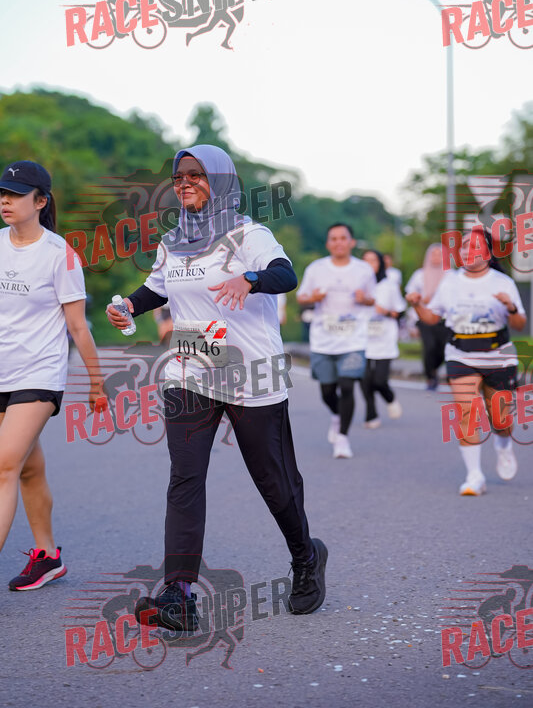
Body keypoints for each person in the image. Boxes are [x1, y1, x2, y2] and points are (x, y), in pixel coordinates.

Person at [106, 144, 327, 629]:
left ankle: (306, 557)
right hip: (191, 371)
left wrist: (250, 278)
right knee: (185, 479)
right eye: (178, 176)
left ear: (222, 181)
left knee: (273, 480)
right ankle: (179, 596)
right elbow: (157, 288)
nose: (184, 182)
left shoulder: (249, 234)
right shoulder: (173, 242)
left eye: (196, 174)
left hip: (250, 373)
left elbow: (285, 274)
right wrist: (128, 306)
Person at [0, 160, 104, 589]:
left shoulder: (60, 254)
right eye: (3, 192)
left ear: (40, 201)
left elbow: (78, 326)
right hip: (2, 371)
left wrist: (97, 383)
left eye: (16, 193)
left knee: (4, 465)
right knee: (27, 469)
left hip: (38, 374)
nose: (5, 200)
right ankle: (47, 556)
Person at [406, 226, 526, 496]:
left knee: (501, 420)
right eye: (464, 246)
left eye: (475, 245)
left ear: (488, 253)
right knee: (467, 412)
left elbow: (519, 323)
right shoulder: (450, 282)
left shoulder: (502, 282)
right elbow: (432, 317)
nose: (468, 250)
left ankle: (503, 445)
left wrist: (510, 307)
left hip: (498, 357)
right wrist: (416, 304)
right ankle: (474, 475)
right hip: (461, 355)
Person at [296, 224, 376, 459]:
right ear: (328, 243)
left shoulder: (363, 270)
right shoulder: (316, 268)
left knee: (348, 385)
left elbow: (373, 300)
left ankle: (342, 438)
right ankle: (337, 415)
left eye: (343, 238)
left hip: (353, 340)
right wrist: (313, 297)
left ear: (351, 242)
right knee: (327, 391)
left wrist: (365, 299)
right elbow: (301, 297)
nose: (339, 242)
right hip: (323, 339)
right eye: (334, 238)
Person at [360, 250, 406, 428]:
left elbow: (400, 312)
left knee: (379, 380)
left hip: (384, 338)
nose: (369, 264)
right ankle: (371, 414)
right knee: (364, 379)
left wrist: (385, 311)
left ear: (380, 263)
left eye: (373, 261)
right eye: (365, 261)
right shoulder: (357, 286)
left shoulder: (389, 286)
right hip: (361, 338)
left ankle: (390, 398)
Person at [405, 243, 448, 389]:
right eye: (433, 254)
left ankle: (434, 369)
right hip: (424, 317)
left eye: (439, 254)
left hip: (443, 318)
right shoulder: (419, 275)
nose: (436, 257)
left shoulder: (451, 276)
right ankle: (430, 376)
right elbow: (410, 294)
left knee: (443, 349)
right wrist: (422, 299)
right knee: (429, 347)